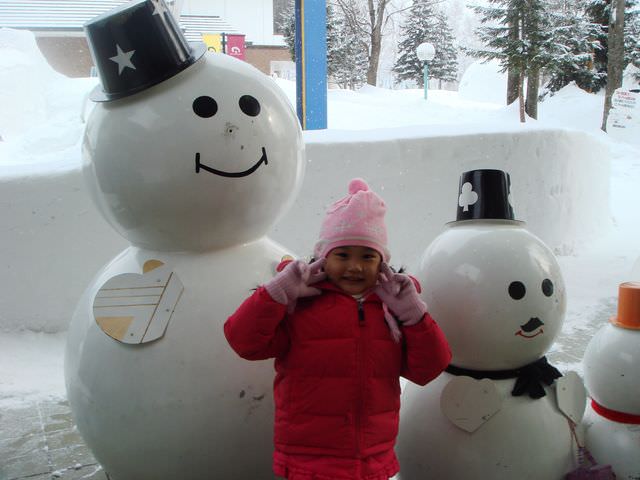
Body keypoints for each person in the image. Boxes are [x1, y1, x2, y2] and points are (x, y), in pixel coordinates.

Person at [224, 178, 451, 480]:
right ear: (322, 257)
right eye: (342, 255)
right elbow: (244, 343)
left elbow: (428, 369)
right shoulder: (299, 306)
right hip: (308, 462)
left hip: (372, 460)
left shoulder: (393, 311)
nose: (355, 267)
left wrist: (413, 315)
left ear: (382, 262)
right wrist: (275, 293)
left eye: (367, 256)